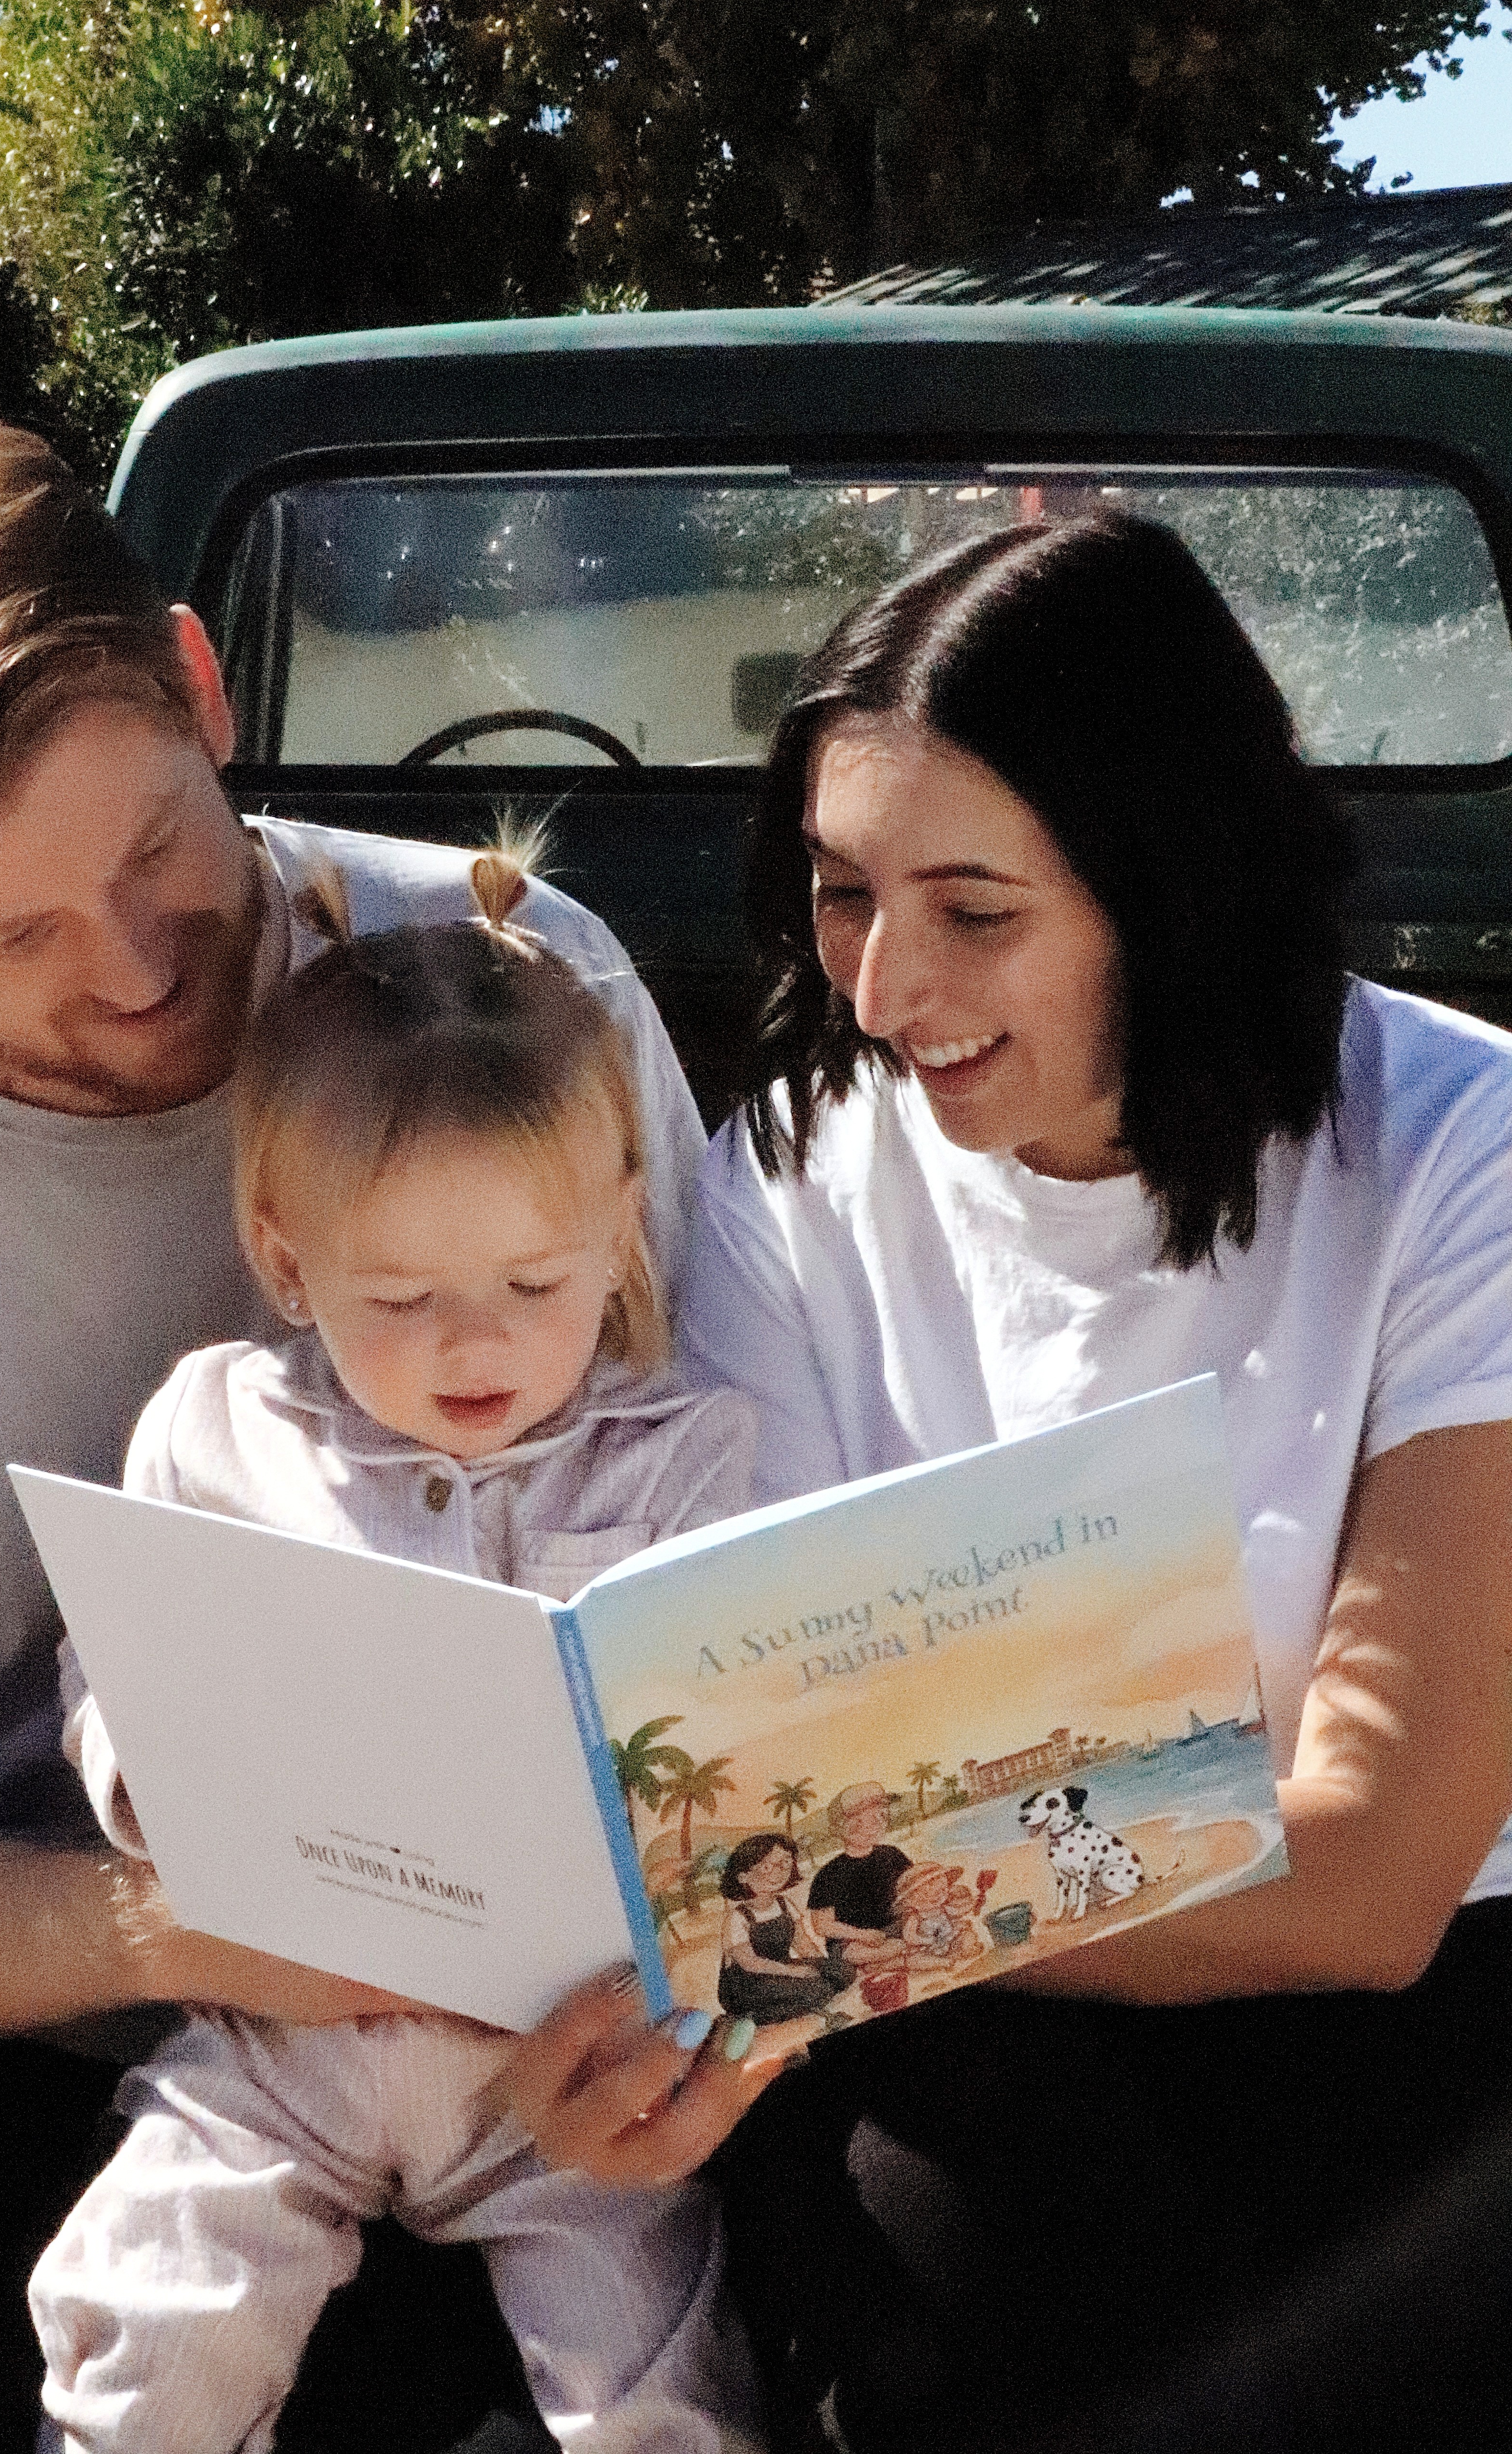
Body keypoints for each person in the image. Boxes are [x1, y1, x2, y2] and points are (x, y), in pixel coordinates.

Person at [0, 417, 712, 2454]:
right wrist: (188, 1927)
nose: (132, 970)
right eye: (13, 937)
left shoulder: (516, 989)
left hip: (550, 1988)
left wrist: (707, 1999)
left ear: (203, 690)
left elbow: (751, 1531)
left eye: (150, 854)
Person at [504, 511, 1512, 2452]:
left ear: (1168, 886)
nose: (882, 990)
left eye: (974, 912)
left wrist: (808, 1896)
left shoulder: (1460, 1150)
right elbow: (746, 1746)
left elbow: (1378, 1868)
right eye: (837, 893)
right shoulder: (795, 1169)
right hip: (949, 1999)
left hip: (1404, 1995)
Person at [30, 858, 763, 2453]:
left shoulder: (693, 1463)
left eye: (533, 1284)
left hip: (563, 2067)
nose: (476, 1342)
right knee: (150, 2300)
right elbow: (116, 1671)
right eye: (401, 1296)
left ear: (619, 1227)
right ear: (288, 1265)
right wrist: (148, 1770)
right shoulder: (219, 1432)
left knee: (657, 2378)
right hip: (288, 2040)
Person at [714, 1836, 853, 2029]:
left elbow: (802, 1943)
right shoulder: (737, 1918)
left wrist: (823, 1965)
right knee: (816, 1989)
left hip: (782, 1968)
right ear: (743, 1875)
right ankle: (748, 2017)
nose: (779, 1872)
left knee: (842, 1971)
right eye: (768, 1866)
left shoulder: (784, 1903)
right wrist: (794, 1972)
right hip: (748, 1984)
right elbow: (751, 1963)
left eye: (785, 1864)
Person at [802, 1786, 915, 2017]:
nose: (881, 1818)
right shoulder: (829, 1874)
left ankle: (887, 1962)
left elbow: (913, 1892)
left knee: (916, 1932)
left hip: (894, 1929)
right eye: (872, 1813)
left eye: (883, 1812)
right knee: (856, 1954)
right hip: (853, 1942)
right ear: (847, 1824)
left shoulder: (892, 1855)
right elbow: (822, 1925)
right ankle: (893, 1959)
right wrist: (864, 1936)